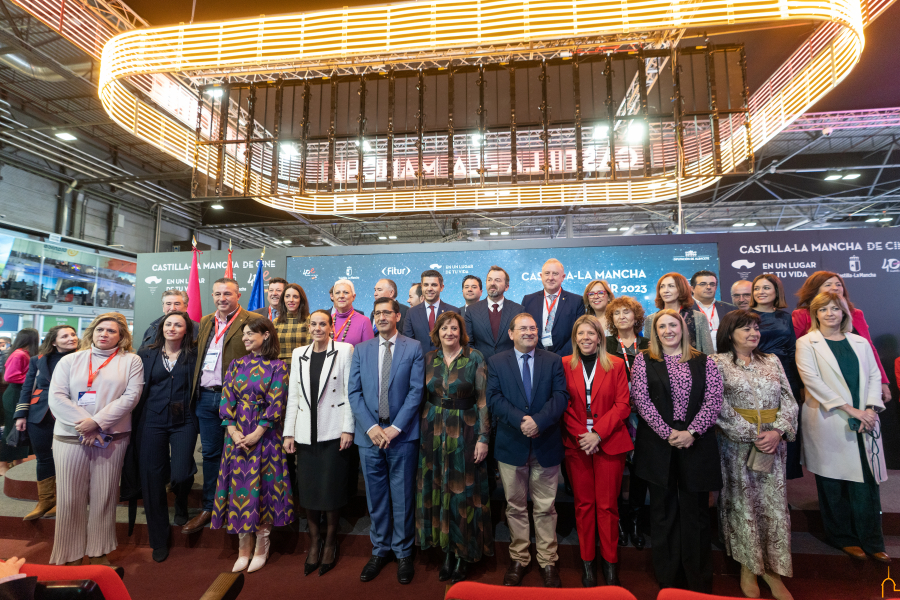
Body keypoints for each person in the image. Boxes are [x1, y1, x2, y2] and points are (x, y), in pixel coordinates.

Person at [630, 309, 724, 593]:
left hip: (696, 443)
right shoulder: (643, 360)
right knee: (663, 512)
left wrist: (691, 432)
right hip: (660, 445)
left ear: (683, 329)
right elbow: (642, 401)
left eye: (673, 325)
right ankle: (668, 578)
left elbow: (713, 401)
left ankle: (697, 580)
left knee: (695, 513)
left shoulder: (704, 361)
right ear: (655, 332)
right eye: (662, 326)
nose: (668, 330)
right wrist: (668, 432)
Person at [795, 292, 889, 563]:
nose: (829, 313)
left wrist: (870, 409)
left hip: (865, 421)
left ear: (844, 312)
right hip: (830, 420)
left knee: (867, 484)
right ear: (815, 314)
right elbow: (812, 381)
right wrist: (851, 410)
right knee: (832, 482)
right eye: (823, 309)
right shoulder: (807, 343)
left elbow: (873, 375)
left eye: (835, 308)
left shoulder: (859, 341)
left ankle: (872, 541)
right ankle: (843, 538)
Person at [711, 310, 798, 600]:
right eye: (746, 328)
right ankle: (748, 568)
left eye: (755, 328)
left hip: (773, 446)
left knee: (773, 506)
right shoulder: (717, 362)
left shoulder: (771, 360)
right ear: (729, 332)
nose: (753, 333)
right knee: (743, 506)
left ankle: (773, 572)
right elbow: (716, 405)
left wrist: (778, 432)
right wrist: (751, 434)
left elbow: (789, 398)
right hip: (736, 447)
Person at [47, 313, 144, 565]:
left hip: (112, 437)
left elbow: (131, 397)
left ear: (121, 336)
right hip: (70, 437)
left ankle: (100, 552)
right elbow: (57, 397)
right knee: (69, 498)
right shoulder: (70, 360)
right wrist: (86, 425)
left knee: (105, 496)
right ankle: (69, 555)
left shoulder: (131, 361)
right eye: (100, 329)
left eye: (112, 331)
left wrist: (98, 423)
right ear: (92, 332)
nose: (105, 334)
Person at [486, 313, 568, 588]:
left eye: (533, 328)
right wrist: (522, 421)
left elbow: (560, 397)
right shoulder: (496, 362)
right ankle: (519, 558)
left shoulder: (553, 360)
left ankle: (547, 562)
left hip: (545, 443)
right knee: (515, 507)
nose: (529, 332)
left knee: (546, 508)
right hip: (512, 445)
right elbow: (494, 399)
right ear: (511, 334)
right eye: (523, 328)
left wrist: (539, 422)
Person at [349, 296, 425, 584]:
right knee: (376, 497)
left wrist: (395, 428)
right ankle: (380, 549)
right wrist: (371, 428)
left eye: (387, 313)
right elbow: (353, 393)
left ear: (397, 316)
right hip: (370, 437)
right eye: (377, 313)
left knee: (403, 496)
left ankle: (404, 552)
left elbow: (416, 392)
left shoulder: (413, 347)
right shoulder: (361, 350)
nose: (382, 317)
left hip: (401, 437)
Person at [212, 319, 293, 573]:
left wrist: (258, 432)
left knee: (265, 489)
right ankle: (243, 547)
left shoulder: (279, 367)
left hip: (265, 436)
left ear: (266, 335)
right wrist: (234, 431)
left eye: (250, 334)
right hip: (236, 437)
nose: (245, 338)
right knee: (240, 490)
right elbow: (226, 399)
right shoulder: (236, 365)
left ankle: (262, 544)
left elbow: (276, 402)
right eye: (244, 334)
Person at [416, 312, 492, 584]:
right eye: (445, 328)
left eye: (454, 328)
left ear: (462, 332)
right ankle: (446, 550)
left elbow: (482, 399)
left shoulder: (474, 357)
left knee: (463, 493)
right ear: (437, 332)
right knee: (437, 486)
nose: (450, 332)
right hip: (433, 430)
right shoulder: (428, 358)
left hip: (466, 430)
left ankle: (463, 553)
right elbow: (420, 395)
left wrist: (484, 437)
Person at [184, 278, 264, 535]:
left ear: (238, 295)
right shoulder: (205, 321)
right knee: (210, 454)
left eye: (227, 293)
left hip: (240, 401)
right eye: (217, 294)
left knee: (240, 453)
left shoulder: (252, 321)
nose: (222, 298)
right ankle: (210, 506)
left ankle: (237, 506)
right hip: (206, 398)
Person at [561, 315, 631, 587]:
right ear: (575, 338)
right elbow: (562, 404)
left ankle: (610, 562)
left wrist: (598, 434)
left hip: (609, 442)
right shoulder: (564, 364)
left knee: (607, 505)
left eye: (591, 333)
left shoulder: (614, 364)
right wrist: (584, 435)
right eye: (581, 334)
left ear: (600, 337)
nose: (586, 338)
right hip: (577, 444)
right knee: (584, 505)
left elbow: (623, 404)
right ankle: (588, 562)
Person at [284, 310, 355, 577]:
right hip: (305, 432)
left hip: (334, 430)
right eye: (312, 324)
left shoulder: (345, 350)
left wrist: (348, 429)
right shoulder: (298, 353)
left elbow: (350, 392)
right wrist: (288, 432)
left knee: (331, 489)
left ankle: (331, 540)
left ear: (330, 327)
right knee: (310, 490)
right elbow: (293, 396)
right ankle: (315, 542)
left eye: (322, 323)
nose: (317, 328)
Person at [123, 312, 198, 562]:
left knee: (181, 473)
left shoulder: (194, 354)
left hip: (184, 420)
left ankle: (181, 501)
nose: (172, 328)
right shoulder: (146, 354)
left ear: (186, 329)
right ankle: (159, 539)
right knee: (152, 480)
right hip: (151, 420)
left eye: (178, 324)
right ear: (161, 328)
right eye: (168, 324)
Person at [792, 271, 890, 403]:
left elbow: (870, 349)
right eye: (828, 284)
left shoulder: (856, 314)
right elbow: (795, 353)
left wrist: (882, 381)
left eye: (838, 284)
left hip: (856, 378)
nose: (835, 288)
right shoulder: (801, 314)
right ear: (815, 290)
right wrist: (801, 386)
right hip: (820, 383)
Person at [13, 325, 78, 519]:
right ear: (53, 341)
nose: (71, 338)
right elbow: (27, 388)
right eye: (65, 336)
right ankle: (46, 501)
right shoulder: (37, 360)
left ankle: (66, 502)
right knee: (43, 458)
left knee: (69, 460)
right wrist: (20, 415)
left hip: (70, 415)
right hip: (40, 414)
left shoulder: (84, 359)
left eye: (73, 334)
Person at [604, 295, 650, 550]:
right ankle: (619, 520)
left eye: (626, 312)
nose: (622, 317)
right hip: (616, 414)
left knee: (640, 469)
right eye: (617, 313)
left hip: (645, 417)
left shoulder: (649, 344)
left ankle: (635, 519)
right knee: (617, 470)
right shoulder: (607, 344)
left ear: (636, 317)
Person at [750, 274, 804, 480]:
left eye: (766, 288)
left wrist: (797, 385)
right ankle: (758, 480)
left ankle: (780, 484)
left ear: (776, 292)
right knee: (762, 425)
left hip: (785, 375)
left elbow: (792, 350)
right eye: (757, 288)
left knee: (782, 426)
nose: (761, 292)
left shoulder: (785, 317)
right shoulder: (745, 316)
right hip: (756, 375)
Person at [522, 259, 585, 356]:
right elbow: (523, 330)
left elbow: (578, 332)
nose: (550, 278)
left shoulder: (576, 301)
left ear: (563, 277)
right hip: (535, 357)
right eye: (547, 273)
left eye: (555, 274)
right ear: (541, 276)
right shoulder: (528, 300)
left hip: (565, 358)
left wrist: (561, 356)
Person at [644, 272, 714, 355]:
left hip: (693, 365)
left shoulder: (698, 317)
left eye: (671, 286)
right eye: (662, 287)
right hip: (661, 365)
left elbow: (708, 352)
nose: (665, 290)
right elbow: (648, 352)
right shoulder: (651, 319)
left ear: (681, 289)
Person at [0, 328, 39, 475]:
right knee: (11, 429)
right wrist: (33, 380)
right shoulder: (19, 354)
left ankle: (17, 461)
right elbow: (9, 377)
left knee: (20, 430)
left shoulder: (25, 353)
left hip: (22, 393)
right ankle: (2, 463)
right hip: (15, 394)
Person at [464, 266, 524, 362]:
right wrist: (478, 364)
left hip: (510, 367)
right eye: (489, 280)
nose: (492, 283)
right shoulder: (472, 311)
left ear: (506, 286)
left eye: (497, 280)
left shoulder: (518, 310)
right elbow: (467, 343)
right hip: (481, 369)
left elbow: (522, 342)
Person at [402, 270, 460, 354]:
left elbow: (458, 342)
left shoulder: (454, 311)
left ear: (442, 287)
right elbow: (408, 343)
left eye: (434, 285)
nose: (429, 288)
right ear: (421, 287)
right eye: (426, 285)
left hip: (447, 364)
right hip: (420, 363)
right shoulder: (411, 313)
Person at [691, 270, 735, 352]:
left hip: (725, 358)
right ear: (692, 288)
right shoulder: (684, 310)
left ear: (716, 287)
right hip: (695, 358)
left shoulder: (730, 309)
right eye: (703, 284)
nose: (708, 287)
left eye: (712, 284)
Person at [274, 283, 311, 367]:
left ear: (301, 300)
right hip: (279, 369)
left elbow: (311, 349)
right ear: (283, 300)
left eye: (295, 297)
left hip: (301, 367)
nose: (291, 300)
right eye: (287, 296)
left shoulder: (309, 320)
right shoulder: (276, 322)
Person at [331, 279, 375, 347]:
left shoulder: (364, 321)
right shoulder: (326, 320)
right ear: (332, 297)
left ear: (353, 297)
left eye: (346, 292)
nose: (341, 296)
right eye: (337, 293)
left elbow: (369, 352)